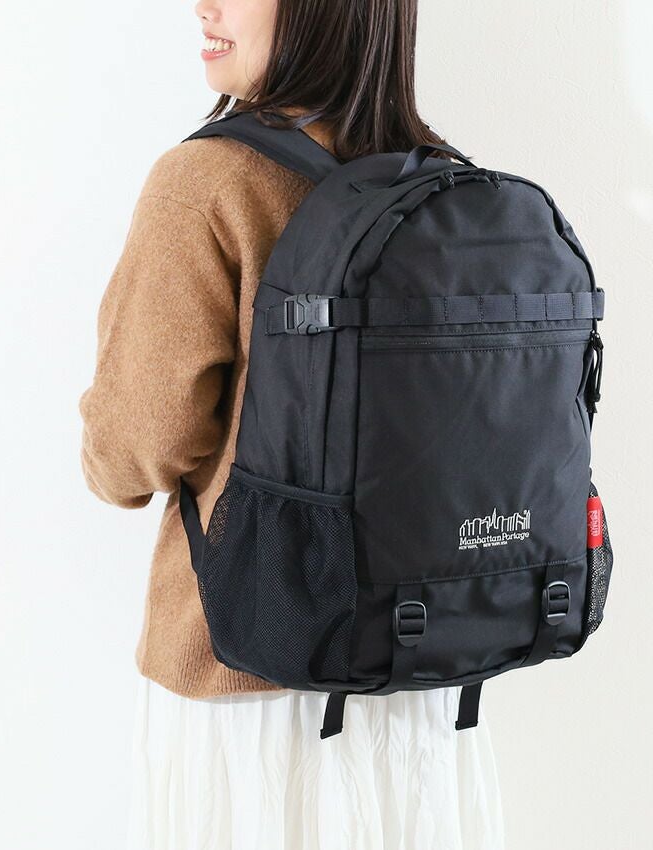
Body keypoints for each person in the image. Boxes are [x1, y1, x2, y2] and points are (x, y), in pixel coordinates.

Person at [78, 1, 506, 847]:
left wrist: (100, 448)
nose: (205, 4)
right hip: (426, 686)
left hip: (247, 688)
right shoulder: (444, 182)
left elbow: (135, 446)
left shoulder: (205, 182)